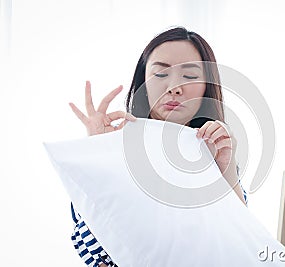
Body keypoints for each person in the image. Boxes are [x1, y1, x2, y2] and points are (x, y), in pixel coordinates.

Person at [68, 26, 248, 267]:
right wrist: (100, 152)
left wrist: (225, 167)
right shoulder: (121, 148)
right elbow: (91, 249)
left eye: (190, 76)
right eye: (161, 75)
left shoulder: (215, 150)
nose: (174, 87)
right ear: (142, 80)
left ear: (207, 85)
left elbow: (242, 239)